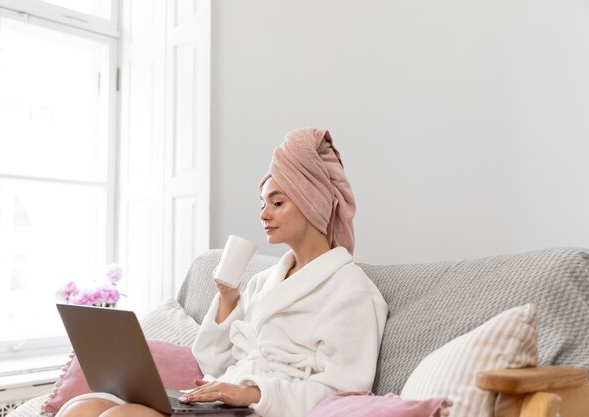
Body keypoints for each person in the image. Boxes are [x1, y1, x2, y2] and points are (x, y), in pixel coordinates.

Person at [59, 128, 388, 417]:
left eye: (277, 203)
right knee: (82, 407)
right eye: (262, 204)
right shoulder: (264, 281)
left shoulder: (351, 291)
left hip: (269, 409)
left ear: (311, 203)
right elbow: (214, 364)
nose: (264, 215)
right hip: (227, 403)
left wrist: (253, 393)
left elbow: (343, 394)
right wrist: (228, 299)